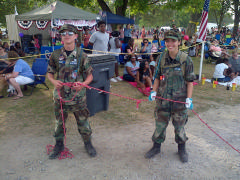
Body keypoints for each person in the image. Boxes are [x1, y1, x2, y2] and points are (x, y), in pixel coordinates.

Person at [47, 24, 96, 159]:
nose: (66, 36)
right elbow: (50, 73)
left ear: (75, 36)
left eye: (70, 33)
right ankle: (59, 145)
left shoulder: (82, 55)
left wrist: (83, 84)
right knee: (59, 122)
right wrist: (54, 81)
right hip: (60, 96)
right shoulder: (55, 54)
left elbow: (90, 75)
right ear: (61, 37)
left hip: (78, 97)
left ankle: (88, 144)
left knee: (83, 121)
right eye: (63, 34)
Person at [145, 30, 195, 163]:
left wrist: (189, 99)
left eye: (173, 41)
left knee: (179, 127)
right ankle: (156, 147)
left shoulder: (186, 60)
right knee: (160, 125)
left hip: (179, 102)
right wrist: (153, 91)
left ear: (179, 42)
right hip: (163, 100)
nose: (170, 43)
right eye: (167, 41)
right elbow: (156, 78)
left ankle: (181, 149)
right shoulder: (161, 58)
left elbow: (190, 82)